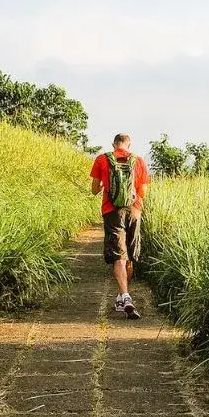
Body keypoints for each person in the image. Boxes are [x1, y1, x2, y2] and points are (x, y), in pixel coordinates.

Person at [90, 133, 149, 319]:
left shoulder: (102, 159)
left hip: (112, 211)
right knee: (129, 254)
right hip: (134, 210)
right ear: (129, 144)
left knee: (118, 255)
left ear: (113, 144)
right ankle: (120, 297)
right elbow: (143, 191)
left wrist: (103, 187)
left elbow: (94, 189)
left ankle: (125, 297)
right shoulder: (138, 160)